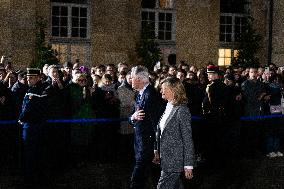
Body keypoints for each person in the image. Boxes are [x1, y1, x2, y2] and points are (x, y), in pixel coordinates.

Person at [153, 77, 195, 189]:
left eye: (163, 89)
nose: (161, 91)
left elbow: (187, 139)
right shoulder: (168, 107)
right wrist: (157, 150)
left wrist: (188, 165)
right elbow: (161, 132)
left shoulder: (182, 110)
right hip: (166, 160)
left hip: (174, 162)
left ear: (173, 90)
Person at [129, 65, 165, 189]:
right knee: (155, 177)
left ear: (139, 79)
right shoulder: (139, 95)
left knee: (137, 179)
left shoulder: (151, 96)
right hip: (141, 144)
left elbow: (157, 125)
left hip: (148, 146)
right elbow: (132, 118)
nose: (130, 80)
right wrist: (133, 117)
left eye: (132, 78)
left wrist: (157, 148)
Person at [18, 68, 48, 185]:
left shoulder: (34, 91)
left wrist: (21, 118)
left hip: (31, 126)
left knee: (30, 153)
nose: (28, 80)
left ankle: (29, 179)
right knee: (38, 152)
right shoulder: (42, 89)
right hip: (39, 125)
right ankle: (39, 177)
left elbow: (28, 108)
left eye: (31, 78)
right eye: (28, 77)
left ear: (38, 78)